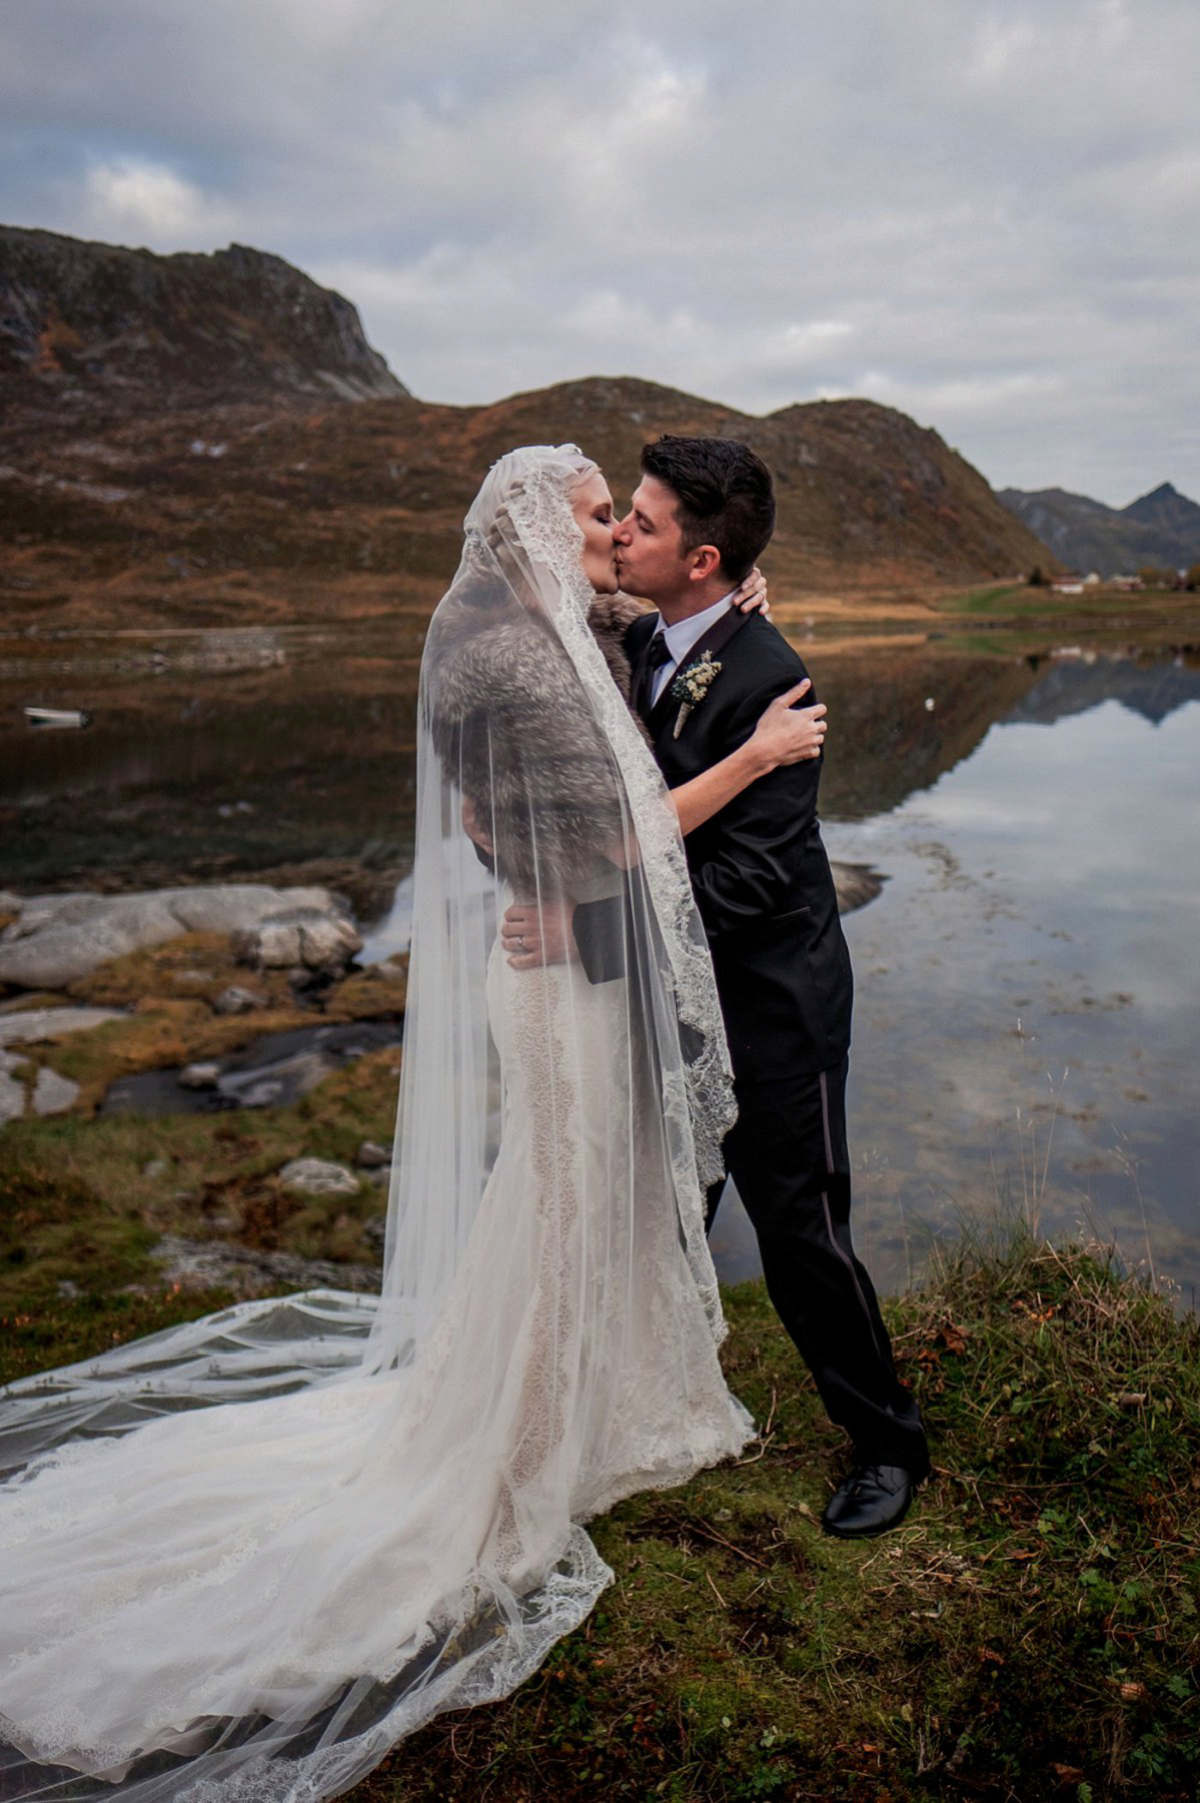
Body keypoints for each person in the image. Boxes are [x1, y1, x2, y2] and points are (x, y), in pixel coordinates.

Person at [0, 445, 825, 1803]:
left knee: (565, 1197)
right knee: (563, 1199)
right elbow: (619, 841)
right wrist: (752, 751)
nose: (619, 534)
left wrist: (716, 603)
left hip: (563, 965)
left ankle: (576, 1396)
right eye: (599, 517)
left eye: (635, 518)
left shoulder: (509, 608)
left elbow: (609, 620)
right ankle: (519, 1451)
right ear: (536, 531)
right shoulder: (501, 660)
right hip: (556, 977)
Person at [506, 435, 929, 1538]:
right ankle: (646, 1402)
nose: (620, 533)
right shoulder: (648, 635)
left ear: (701, 561)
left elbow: (744, 884)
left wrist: (583, 934)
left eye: (640, 523)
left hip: (772, 1001)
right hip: (673, 997)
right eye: (624, 514)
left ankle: (889, 1441)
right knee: (666, 1205)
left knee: (798, 1226)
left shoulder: (771, 681)